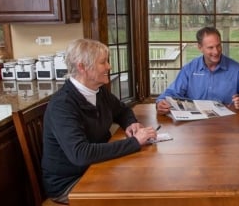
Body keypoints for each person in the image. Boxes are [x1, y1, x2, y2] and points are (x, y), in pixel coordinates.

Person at [42, 39, 157, 204]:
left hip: (96, 167)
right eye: (103, 62)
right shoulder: (62, 105)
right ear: (82, 67)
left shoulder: (98, 91)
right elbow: (81, 154)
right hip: (70, 183)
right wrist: (134, 142)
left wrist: (131, 123)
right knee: (136, 192)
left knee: (142, 179)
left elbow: (123, 111)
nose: (109, 67)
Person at [156, 26, 239, 114]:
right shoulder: (189, 69)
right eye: (210, 48)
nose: (216, 52)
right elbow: (171, 92)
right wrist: (160, 103)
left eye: (218, 46)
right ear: (200, 47)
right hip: (196, 125)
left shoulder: (238, 70)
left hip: (228, 124)